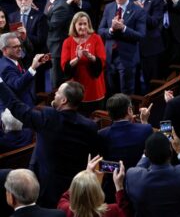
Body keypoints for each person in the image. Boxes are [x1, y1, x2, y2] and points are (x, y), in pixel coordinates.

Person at [0, 79, 98, 208]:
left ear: (64, 100)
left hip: (46, 191)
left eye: (58, 92)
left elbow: (17, 107)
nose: (55, 94)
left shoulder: (48, 119)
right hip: (75, 190)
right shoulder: (90, 126)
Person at [125, 131, 180, 217]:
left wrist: (146, 154)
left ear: (146, 153)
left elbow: (137, 170)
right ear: (171, 152)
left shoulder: (132, 176)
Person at [98, 93, 153, 202]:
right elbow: (151, 154)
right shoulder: (146, 129)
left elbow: (102, 165)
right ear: (129, 110)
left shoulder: (101, 134)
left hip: (114, 189)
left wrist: (120, 170)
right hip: (141, 185)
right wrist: (145, 122)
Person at [98, 0, 146, 95]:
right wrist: (111, 30)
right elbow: (100, 30)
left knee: (126, 93)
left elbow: (141, 35)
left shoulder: (138, 11)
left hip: (127, 58)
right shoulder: (109, 7)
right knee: (110, 91)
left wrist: (124, 28)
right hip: (109, 57)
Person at [61, 11, 106, 116]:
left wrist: (90, 57)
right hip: (76, 88)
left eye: (85, 24)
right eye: (79, 24)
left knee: (96, 118)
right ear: (74, 25)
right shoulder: (67, 41)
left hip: (95, 87)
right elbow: (64, 66)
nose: (83, 27)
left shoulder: (96, 38)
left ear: (89, 24)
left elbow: (102, 61)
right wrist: (77, 58)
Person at [57, 155, 131, 217]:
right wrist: (119, 186)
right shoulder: (110, 211)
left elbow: (66, 196)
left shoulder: (64, 210)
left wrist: (86, 176)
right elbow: (125, 213)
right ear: (98, 194)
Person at [131, 0, 164, 93]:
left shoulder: (157, 0)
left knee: (149, 82)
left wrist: (141, 10)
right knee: (133, 81)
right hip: (133, 46)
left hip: (150, 47)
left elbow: (154, 23)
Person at [0, 32, 49, 109]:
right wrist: (32, 68)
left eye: (20, 46)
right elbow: (18, 85)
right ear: (5, 50)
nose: (19, 49)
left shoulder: (14, 60)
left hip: (27, 105)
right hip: (18, 112)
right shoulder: (6, 67)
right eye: (15, 47)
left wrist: (35, 66)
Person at [43, 0, 73, 89]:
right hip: (50, 45)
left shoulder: (62, 6)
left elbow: (51, 26)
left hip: (57, 48)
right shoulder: (50, 0)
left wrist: (38, 18)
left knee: (56, 81)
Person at [8, 0, 48, 69]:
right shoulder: (12, 17)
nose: (23, 2)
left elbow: (41, 41)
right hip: (17, 59)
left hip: (35, 58)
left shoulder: (40, 17)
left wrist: (26, 35)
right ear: (16, 1)